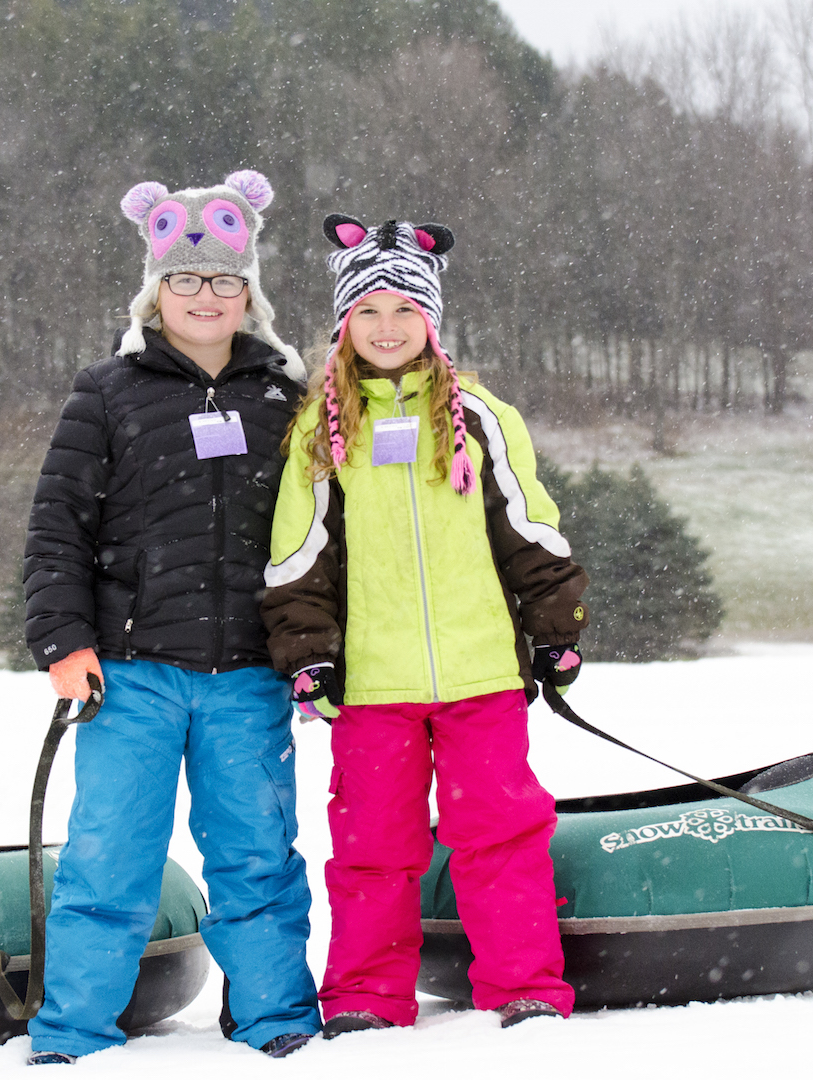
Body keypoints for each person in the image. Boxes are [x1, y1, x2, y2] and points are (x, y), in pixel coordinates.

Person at [261, 214, 588, 1035]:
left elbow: (530, 528)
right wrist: (309, 655)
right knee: (374, 848)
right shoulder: (319, 428)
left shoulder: (479, 414)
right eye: (367, 312)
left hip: (481, 675)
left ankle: (524, 987)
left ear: (430, 321)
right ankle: (367, 997)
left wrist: (554, 626)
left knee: (501, 835)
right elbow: (297, 557)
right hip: (372, 685)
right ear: (343, 325)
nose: (385, 327)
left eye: (403, 311)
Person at [21, 170, 321, 1063]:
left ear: (249, 293)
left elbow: (319, 539)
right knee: (108, 860)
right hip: (131, 674)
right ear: (155, 290)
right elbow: (56, 527)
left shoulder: (286, 396)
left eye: (224, 280)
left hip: (248, 679)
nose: (204, 296)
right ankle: (71, 1031)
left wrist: (315, 652)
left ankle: (275, 1021)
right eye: (185, 280)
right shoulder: (108, 391)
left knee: (259, 862)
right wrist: (61, 641)